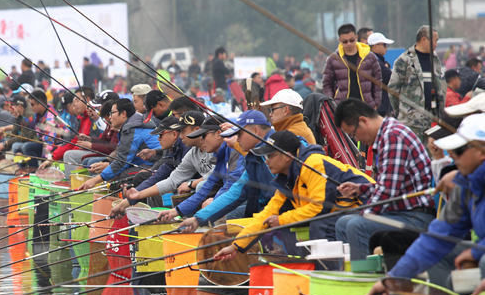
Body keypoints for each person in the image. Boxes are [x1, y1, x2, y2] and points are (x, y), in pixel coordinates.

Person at [366, 113, 485, 295]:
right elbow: (437, 238)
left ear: (481, 152)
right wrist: (394, 279)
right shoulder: (466, 185)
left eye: (459, 150)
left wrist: (477, 252)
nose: (452, 155)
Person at [214, 130, 375, 262]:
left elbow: (318, 208)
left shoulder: (313, 163)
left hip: (368, 205)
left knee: (319, 225)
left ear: (287, 156)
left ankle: (330, 274)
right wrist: (236, 246)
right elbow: (265, 215)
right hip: (340, 213)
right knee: (295, 226)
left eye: (270, 156)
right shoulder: (286, 179)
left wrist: (281, 220)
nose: (267, 161)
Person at [333, 99, 435, 260]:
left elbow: (387, 192)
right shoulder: (386, 135)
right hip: (400, 212)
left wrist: (364, 214)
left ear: (363, 121)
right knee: (342, 223)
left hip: (416, 216)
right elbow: (388, 186)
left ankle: (365, 279)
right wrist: (360, 189)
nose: (357, 140)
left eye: (353, 134)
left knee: (355, 225)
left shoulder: (393, 136)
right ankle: (355, 272)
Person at [157, 116, 245, 222]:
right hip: (237, 198)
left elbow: (232, 187)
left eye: (204, 136)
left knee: (222, 215)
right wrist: (175, 211)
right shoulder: (222, 156)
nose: (201, 140)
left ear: (218, 134)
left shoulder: (235, 153)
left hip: (253, 202)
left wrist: (213, 204)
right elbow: (205, 189)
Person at [122, 111, 214, 205]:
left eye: (183, 131)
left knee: (199, 185)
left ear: (197, 130)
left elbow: (217, 174)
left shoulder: (214, 148)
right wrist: (137, 194)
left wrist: (191, 184)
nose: (180, 136)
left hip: (220, 192)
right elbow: (172, 180)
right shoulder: (192, 153)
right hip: (209, 192)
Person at [78, 98, 161, 189]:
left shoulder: (132, 129)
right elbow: (123, 154)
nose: (110, 117)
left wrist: (95, 180)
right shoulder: (133, 125)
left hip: (155, 166)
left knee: (121, 177)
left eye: (112, 113)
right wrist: (107, 163)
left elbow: (122, 162)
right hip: (146, 164)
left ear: (123, 114)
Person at [388, 25, 444, 139]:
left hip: (432, 120)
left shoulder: (435, 60)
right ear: (424, 39)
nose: (436, 44)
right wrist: (403, 112)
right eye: (435, 40)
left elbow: (440, 86)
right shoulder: (405, 60)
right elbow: (392, 90)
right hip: (411, 122)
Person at [322, 23, 382, 109]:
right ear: (339, 40)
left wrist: (376, 103)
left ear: (356, 37)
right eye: (345, 42)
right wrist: (331, 104)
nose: (349, 44)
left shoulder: (369, 57)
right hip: (342, 108)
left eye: (352, 40)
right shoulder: (333, 59)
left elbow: (378, 81)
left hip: (366, 106)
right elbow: (326, 84)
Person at [368, 32, 395, 116]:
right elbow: (391, 78)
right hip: (380, 108)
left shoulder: (377, 61)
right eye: (384, 45)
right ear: (375, 46)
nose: (386, 48)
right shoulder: (375, 62)